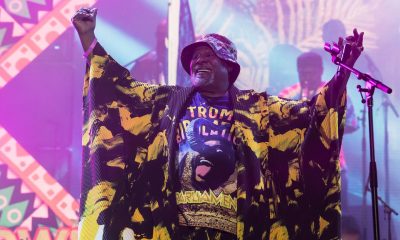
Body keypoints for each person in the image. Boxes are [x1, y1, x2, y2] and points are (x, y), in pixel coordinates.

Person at [72, 7, 364, 240]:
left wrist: (341, 75)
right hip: (175, 225)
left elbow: (310, 117)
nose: (197, 61)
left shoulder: (257, 108)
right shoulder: (167, 102)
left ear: (229, 66)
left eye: (207, 56)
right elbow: (120, 90)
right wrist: (89, 40)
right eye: (194, 57)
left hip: (234, 226)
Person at [279, 51, 359, 213]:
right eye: (303, 71)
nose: (307, 74)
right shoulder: (287, 94)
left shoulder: (334, 91)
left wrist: (325, 124)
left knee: (334, 219)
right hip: (296, 168)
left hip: (332, 165)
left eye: (311, 71)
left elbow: (351, 123)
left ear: (321, 70)